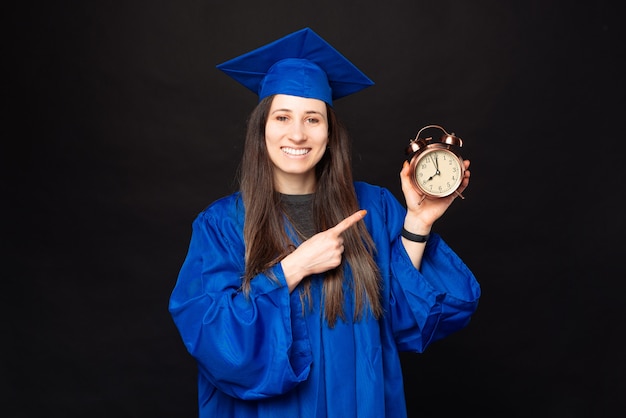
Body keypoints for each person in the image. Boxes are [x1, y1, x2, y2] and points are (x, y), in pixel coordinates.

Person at [169, 27, 480, 418]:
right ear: (262, 128)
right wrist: (292, 269)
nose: (297, 134)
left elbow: (406, 323)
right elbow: (215, 340)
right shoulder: (222, 224)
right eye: (282, 117)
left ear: (329, 132)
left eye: (312, 119)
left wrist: (418, 221)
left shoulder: (374, 208)